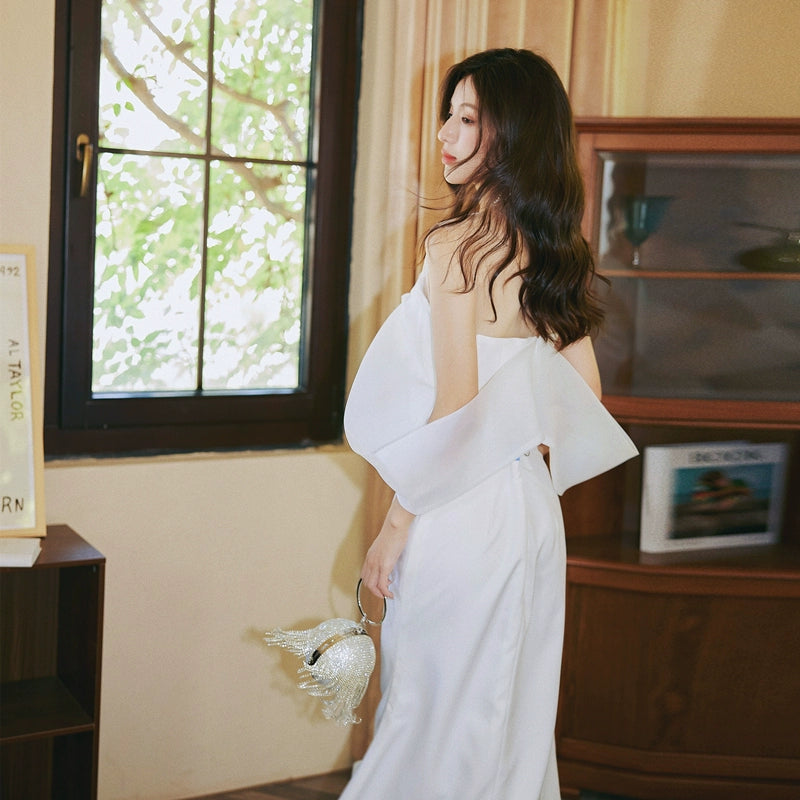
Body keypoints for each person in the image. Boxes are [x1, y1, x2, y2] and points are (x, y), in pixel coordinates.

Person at [342, 48, 637, 800]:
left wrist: (395, 526)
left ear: (513, 133)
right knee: (510, 716)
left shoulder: (457, 247)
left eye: (468, 118)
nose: (445, 134)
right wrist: (516, 419)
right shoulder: (558, 253)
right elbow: (585, 397)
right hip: (528, 512)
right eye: (449, 114)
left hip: (457, 513)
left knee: (427, 713)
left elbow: (455, 409)